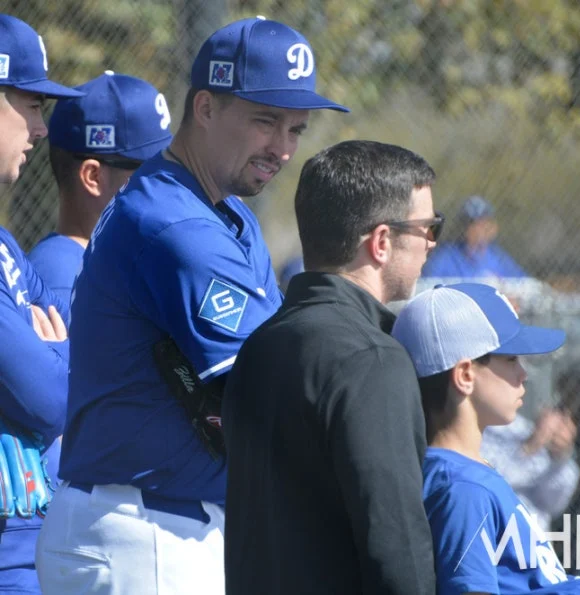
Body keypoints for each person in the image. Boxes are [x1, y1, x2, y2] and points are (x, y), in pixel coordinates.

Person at [35, 16, 348, 595]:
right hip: (144, 530)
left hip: (167, 524)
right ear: (204, 107)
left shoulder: (218, 211)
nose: (282, 148)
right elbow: (284, 385)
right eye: (265, 121)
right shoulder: (175, 224)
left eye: (296, 129)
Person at [223, 139, 441, 595]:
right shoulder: (371, 359)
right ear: (382, 242)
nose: (432, 244)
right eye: (427, 228)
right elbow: (396, 544)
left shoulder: (261, 344)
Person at [391, 282, 580, 594]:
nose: (523, 374)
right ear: (465, 375)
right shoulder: (462, 487)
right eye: (511, 359)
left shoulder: (468, 472)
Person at [0, 13, 84, 595]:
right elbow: (50, 398)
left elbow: (84, 337)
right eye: (31, 106)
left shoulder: (5, 244)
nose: (40, 129)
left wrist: (56, 350)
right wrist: (56, 352)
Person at [29, 71, 172, 305]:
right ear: (93, 177)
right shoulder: (63, 280)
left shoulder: (108, 261)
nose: (169, 182)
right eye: (151, 170)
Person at [480, 407, 580, 531]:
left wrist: (559, 458)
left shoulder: (564, 467)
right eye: (558, 413)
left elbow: (555, 504)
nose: (558, 425)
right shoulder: (502, 427)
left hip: (522, 534)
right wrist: (530, 446)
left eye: (564, 422)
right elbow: (488, 478)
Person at [422, 194, 527, 279]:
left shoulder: (498, 257)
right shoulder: (446, 257)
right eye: (475, 223)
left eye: (486, 222)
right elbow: (426, 287)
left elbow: (524, 285)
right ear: (464, 228)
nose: (482, 228)